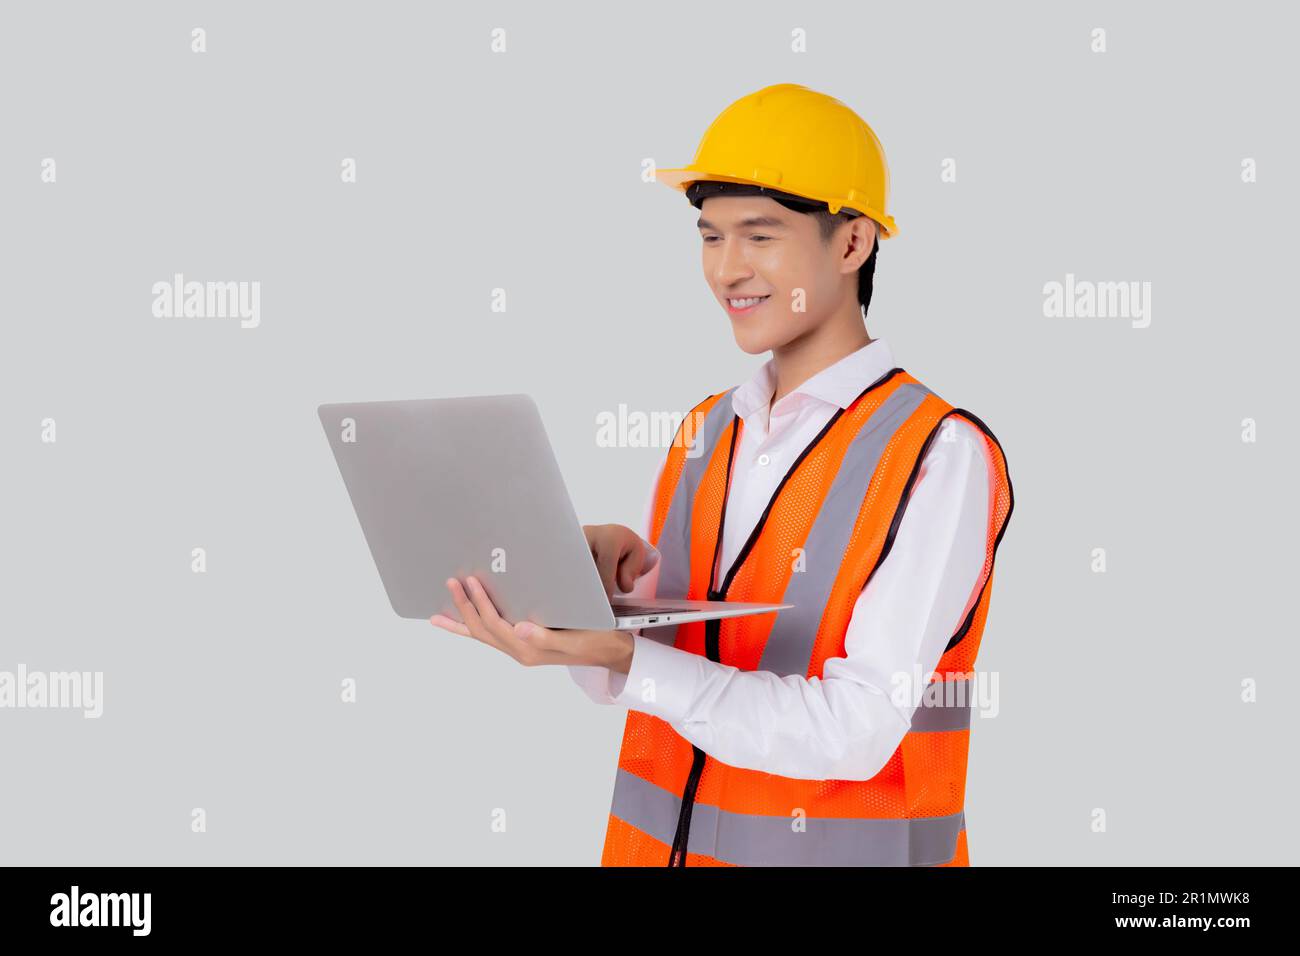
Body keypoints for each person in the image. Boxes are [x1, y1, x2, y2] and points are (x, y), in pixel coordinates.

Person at [430, 83, 1014, 866]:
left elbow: (856, 732)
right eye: (710, 236)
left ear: (851, 245)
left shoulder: (936, 452)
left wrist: (628, 658)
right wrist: (588, 606)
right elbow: (655, 683)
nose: (726, 270)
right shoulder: (706, 430)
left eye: (759, 235)